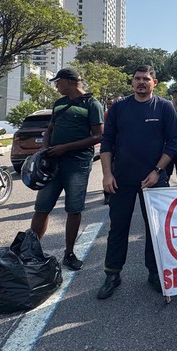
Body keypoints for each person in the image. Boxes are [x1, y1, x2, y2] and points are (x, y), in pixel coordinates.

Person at [98, 65, 177, 298]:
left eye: (146, 78)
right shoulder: (119, 108)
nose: (141, 82)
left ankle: (155, 273)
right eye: (137, 78)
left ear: (155, 82)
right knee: (117, 227)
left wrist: (157, 171)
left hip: (155, 179)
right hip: (121, 179)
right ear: (132, 82)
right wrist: (107, 174)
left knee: (155, 230)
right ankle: (112, 274)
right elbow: (107, 143)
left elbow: (172, 143)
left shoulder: (164, 107)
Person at [30, 68, 105, 272]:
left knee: (74, 209)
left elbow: (99, 136)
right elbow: (50, 129)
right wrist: (45, 149)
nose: (56, 86)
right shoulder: (59, 103)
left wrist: (66, 147)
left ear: (68, 81)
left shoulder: (92, 104)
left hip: (77, 164)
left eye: (58, 82)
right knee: (42, 207)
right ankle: (31, 251)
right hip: (53, 163)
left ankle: (69, 253)